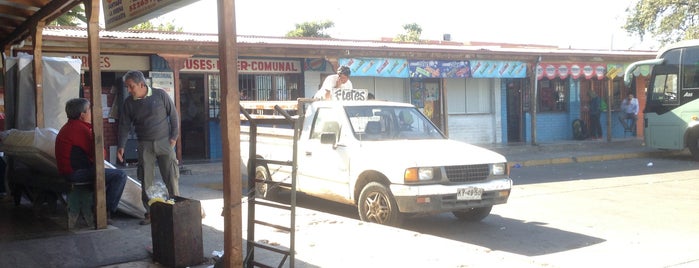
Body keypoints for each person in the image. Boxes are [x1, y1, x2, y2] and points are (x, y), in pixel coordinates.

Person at [117, 70, 180, 225]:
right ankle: (150, 213)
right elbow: (124, 125)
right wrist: (121, 145)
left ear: (141, 84)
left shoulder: (160, 95)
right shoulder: (129, 103)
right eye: (127, 87)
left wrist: (174, 137)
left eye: (131, 87)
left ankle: (176, 209)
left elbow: (173, 116)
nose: (129, 90)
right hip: (144, 144)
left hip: (165, 142)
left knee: (171, 176)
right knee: (146, 180)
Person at [55, 98, 127, 223]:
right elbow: (100, 155)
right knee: (120, 175)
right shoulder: (80, 129)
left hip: (69, 171)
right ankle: (104, 212)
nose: (92, 113)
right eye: (89, 110)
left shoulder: (68, 127)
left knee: (108, 174)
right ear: (82, 115)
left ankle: (94, 207)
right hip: (75, 173)